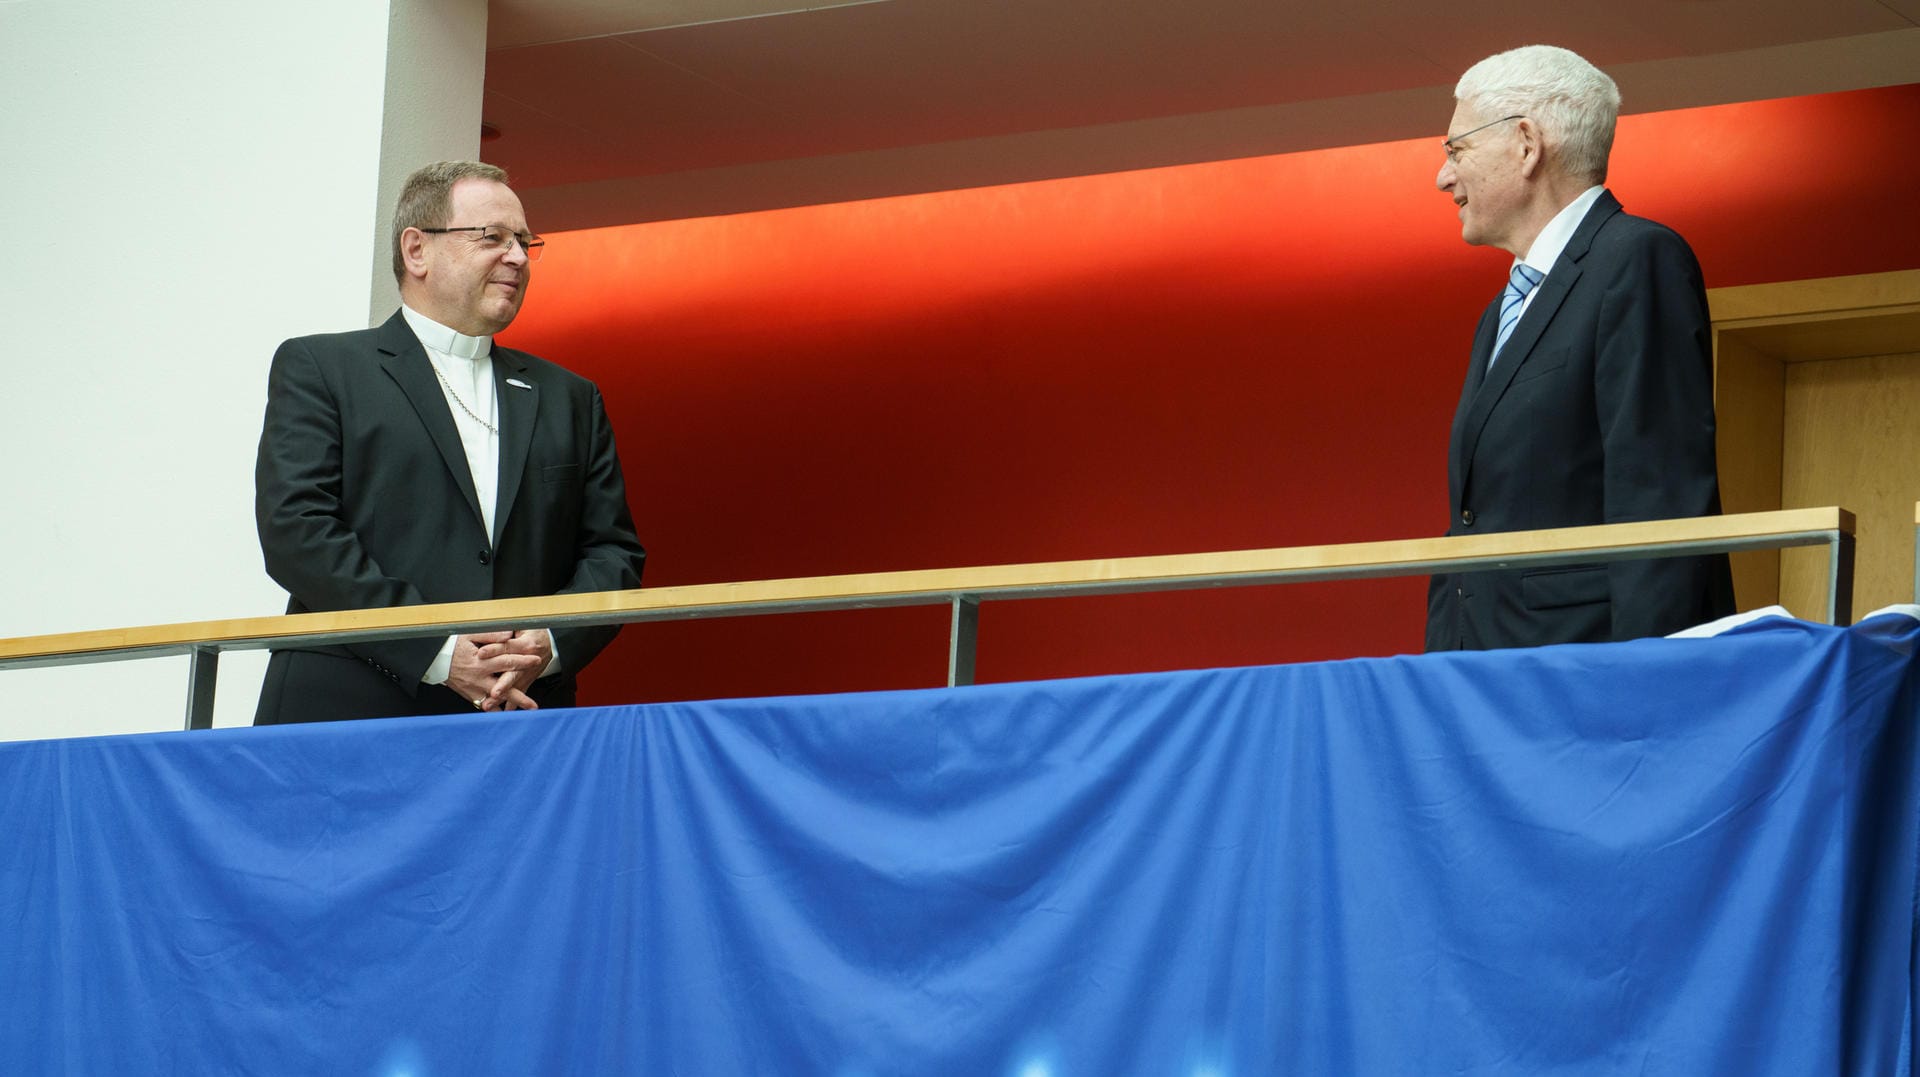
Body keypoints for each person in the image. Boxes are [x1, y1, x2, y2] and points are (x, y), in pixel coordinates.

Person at [253, 161, 646, 723]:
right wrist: (435, 649)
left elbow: (613, 552)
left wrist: (548, 643)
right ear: (417, 251)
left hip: (520, 712)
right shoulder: (322, 367)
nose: (515, 256)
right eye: (492, 237)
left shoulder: (569, 397)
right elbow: (298, 531)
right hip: (349, 710)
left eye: (523, 242)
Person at [1424, 45, 1733, 651]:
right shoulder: (1500, 311)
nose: (1443, 176)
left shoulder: (1637, 258)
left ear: (1526, 143)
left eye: (1456, 149)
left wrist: (1647, 675)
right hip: (1483, 670)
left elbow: (1657, 490)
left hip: (1586, 669)